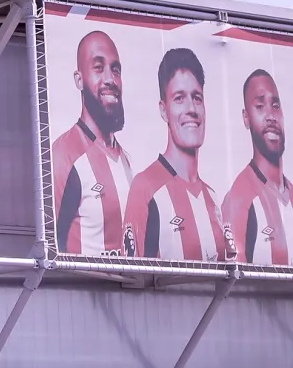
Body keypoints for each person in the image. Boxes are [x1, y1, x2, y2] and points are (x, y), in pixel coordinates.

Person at [125, 48, 232, 261]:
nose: (191, 108)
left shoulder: (212, 198)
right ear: (163, 110)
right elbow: (134, 281)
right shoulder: (145, 188)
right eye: (179, 98)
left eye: (197, 98)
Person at [52, 30, 134, 254]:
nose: (110, 79)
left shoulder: (125, 159)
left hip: (127, 287)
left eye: (115, 69)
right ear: (79, 80)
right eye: (98, 67)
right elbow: (51, 246)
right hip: (84, 288)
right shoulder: (63, 155)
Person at [223, 67, 293, 265]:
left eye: (275, 105)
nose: (271, 116)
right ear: (246, 118)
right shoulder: (239, 199)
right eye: (260, 106)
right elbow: (235, 286)